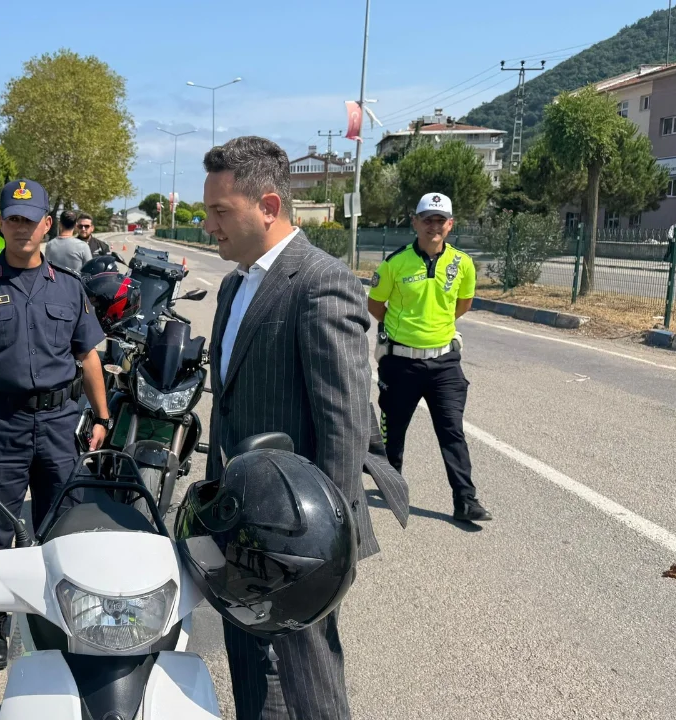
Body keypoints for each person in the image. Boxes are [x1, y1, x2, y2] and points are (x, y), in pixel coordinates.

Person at [203, 137, 409, 720]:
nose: (209, 225)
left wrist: (322, 547)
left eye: (220, 211)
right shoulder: (234, 283)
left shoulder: (320, 281)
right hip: (241, 518)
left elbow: (343, 423)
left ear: (268, 206)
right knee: (249, 658)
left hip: (299, 535)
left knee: (306, 671)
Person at [0, 178, 112, 672]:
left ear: (46, 225)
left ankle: (65, 614)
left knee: (63, 521)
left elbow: (88, 356)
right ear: (1, 223)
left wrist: (102, 417)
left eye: (30, 220)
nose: (22, 228)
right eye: (13, 219)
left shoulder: (69, 285)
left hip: (59, 423)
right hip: (0, 422)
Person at [368, 192, 491, 523]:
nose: (433, 226)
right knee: (394, 428)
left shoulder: (462, 263)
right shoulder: (395, 263)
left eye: (440, 220)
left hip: (444, 363)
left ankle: (465, 500)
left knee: (452, 430)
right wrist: (402, 331)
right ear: (415, 222)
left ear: (450, 225)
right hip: (401, 362)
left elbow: (463, 304)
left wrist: (436, 329)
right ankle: (390, 479)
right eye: (427, 220)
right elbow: (375, 304)